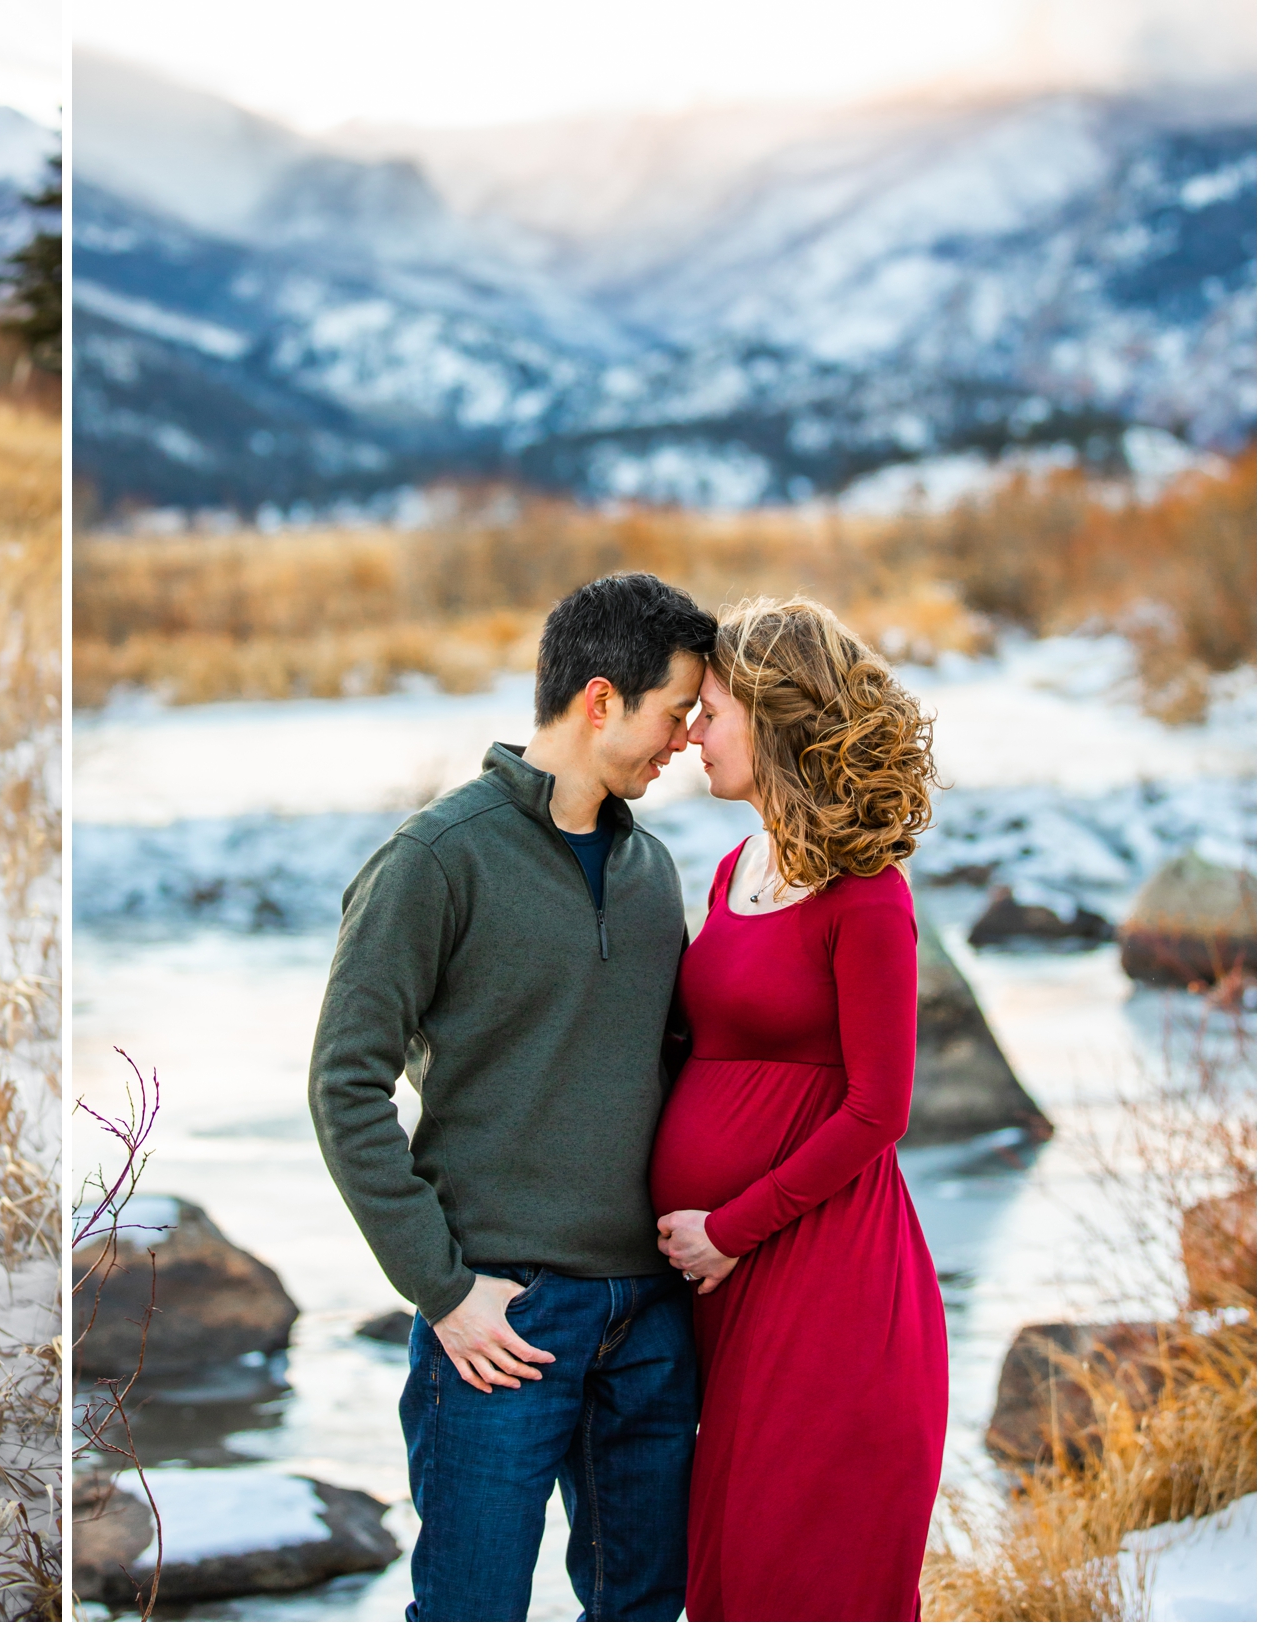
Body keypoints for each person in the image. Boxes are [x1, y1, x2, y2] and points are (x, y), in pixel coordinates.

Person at [309, 572, 715, 1622]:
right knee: (470, 1609)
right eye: (675, 711)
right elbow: (344, 1081)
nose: (684, 738)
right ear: (598, 700)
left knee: (645, 1607)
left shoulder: (651, 869)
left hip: (652, 1320)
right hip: (502, 1319)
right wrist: (441, 1287)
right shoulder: (434, 859)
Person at [651, 596, 946, 1620]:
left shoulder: (868, 894)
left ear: (774, 718)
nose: (693, 734)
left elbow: (879, 1109)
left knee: (806, 1577)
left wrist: (730, 1227)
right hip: (725, 1293)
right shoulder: (737, 867)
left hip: (827, 1282)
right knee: (730, 1581)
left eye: (713, 712)